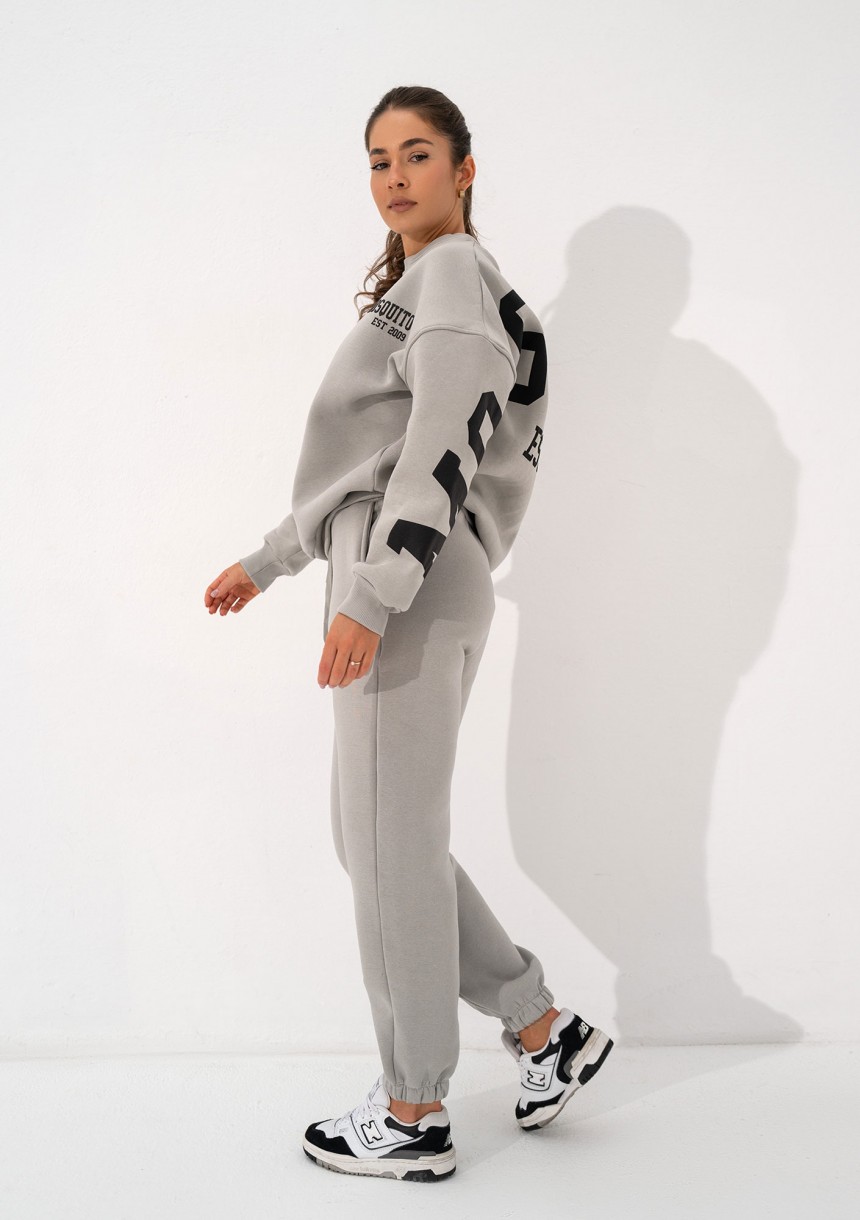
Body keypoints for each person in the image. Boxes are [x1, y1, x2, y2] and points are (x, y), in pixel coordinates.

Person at [204, 85, 613, 1183]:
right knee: (381, 840)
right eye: (378, 159)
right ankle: (541, 1028)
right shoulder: (447, 285)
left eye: (417, 154)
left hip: (410, 569)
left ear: (464, 170)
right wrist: (271, 560)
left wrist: (375, 587)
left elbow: (436, 440)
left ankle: (414, 1108)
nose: (393, 176)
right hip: (420, 563)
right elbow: (374, 453)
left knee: (388, 844)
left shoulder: (451, 274)